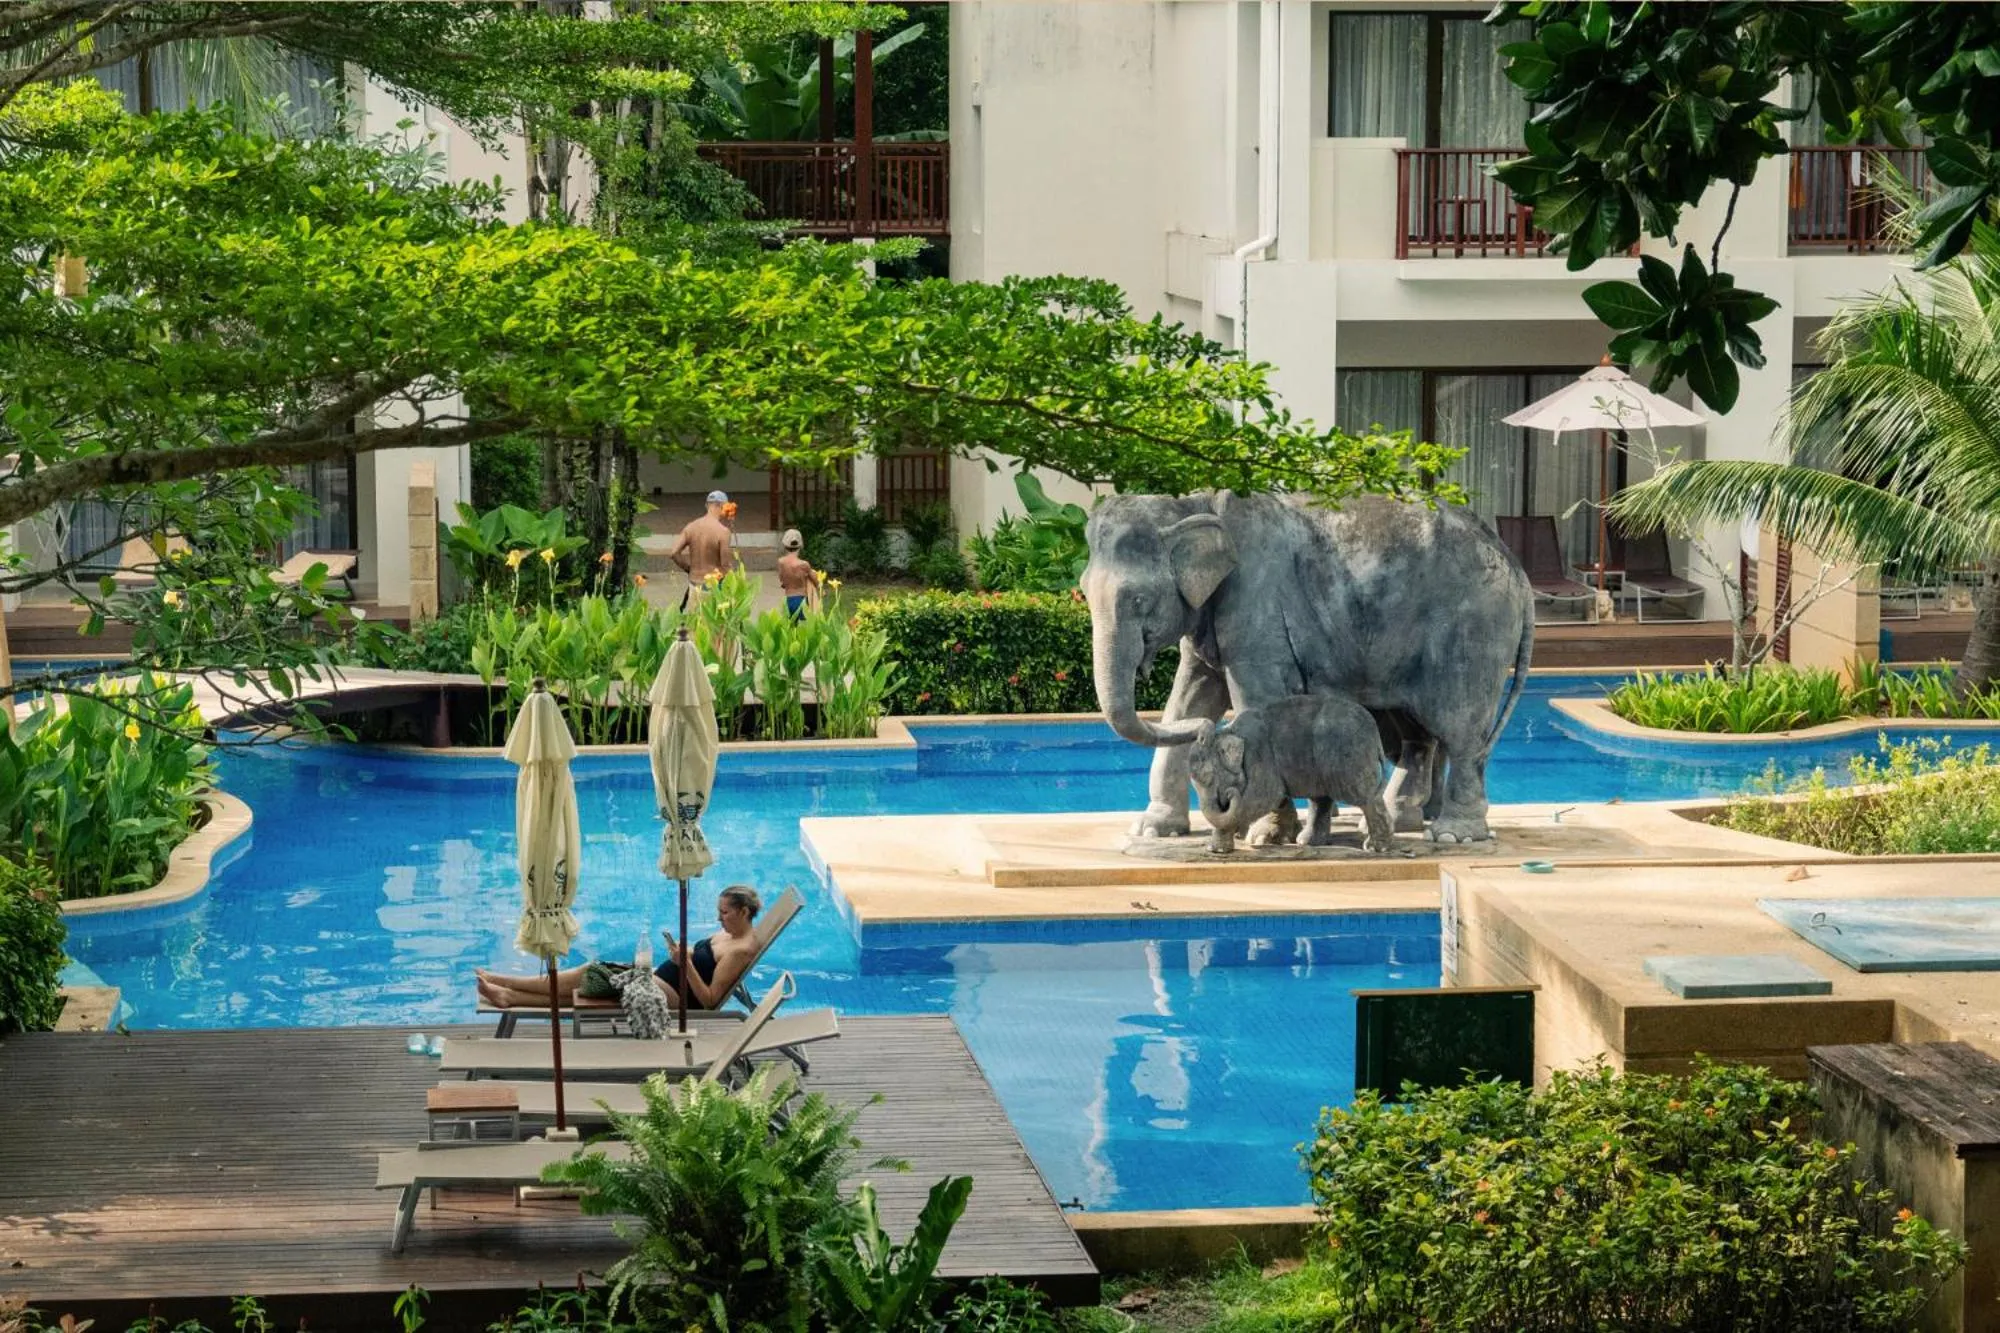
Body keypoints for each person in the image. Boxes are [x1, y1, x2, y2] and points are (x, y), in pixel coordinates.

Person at [475, 885, 765, 1012]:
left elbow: (710, 1001)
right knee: (588, 985)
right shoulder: (729, 933)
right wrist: (684, 954)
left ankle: (506, 984)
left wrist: (685, 964)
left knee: (591, 974)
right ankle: (509, 994)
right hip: (662, 979)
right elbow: (704, 960)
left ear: (743, 912)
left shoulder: (740, 950)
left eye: (724, 913)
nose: (719, 918)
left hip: (674, 998)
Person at [666, 490, 735, 589]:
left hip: (693, 583)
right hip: (713, 585)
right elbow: (725, 564)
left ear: (707, 505)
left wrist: (689, 569)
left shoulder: (691, 526)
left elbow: (673, 553)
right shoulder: (723, 531)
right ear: (722, 506)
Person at [776, 528, 819, 621]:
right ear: (800, 545)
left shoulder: (781, 562)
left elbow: (782, 580)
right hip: (801, 600)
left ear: (785, 545)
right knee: (802, 627)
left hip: (788, 600)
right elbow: (816, 581)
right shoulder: (804, 565)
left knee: (790, 627)